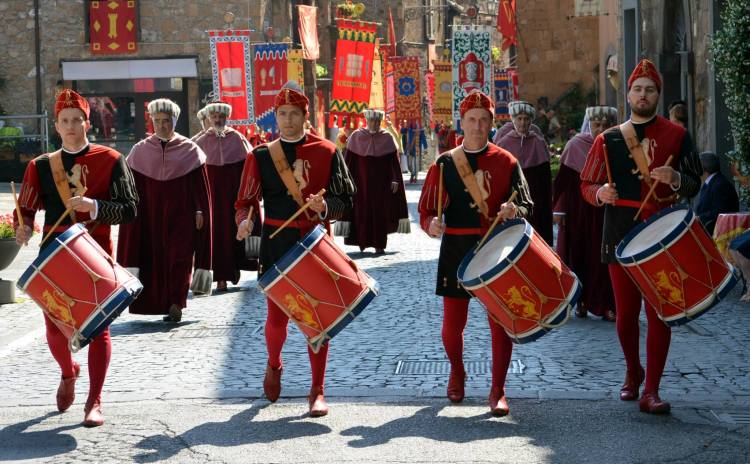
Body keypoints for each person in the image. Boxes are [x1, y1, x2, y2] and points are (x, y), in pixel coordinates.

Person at [580, 59, 702, 414]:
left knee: (660, 312)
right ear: (628, 94)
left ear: (657, 95)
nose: (643, 94)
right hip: (619, 229)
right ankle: (633, 372)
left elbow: (695, 181)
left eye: (649, 89)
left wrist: (677, 180)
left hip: (662, 232)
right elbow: (586, 184)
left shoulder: (678, 136)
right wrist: (600, 193)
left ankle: (652, 390)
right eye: (638, 89)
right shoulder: (608, 138)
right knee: (625, 316)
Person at [14, 89, 138, 426]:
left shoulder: (112, 159)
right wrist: (22, 228)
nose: (71, 126)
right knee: (55, 331)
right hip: (53, 257)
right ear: (57, 126)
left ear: (87, 122)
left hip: (96, 254)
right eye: (64, 121)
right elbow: (24, 209)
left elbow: (130, 210)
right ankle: (68, 372)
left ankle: (94, 401)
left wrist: (94, 207)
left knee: (99, 330)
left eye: (76, 120)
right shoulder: (40, 166)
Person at [235, 84, 356, 417]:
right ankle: (274, 364)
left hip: (315, 240)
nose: (288, 121)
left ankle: (317, 390)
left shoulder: (328, 151)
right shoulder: (259, 155)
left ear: (306, 116)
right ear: (276, 117)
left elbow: (346, 200)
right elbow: (244, 202)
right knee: (277, 317)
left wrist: (323, 206)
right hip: (276, 241)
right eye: (282, 114)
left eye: (294, 114)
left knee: (317, 317)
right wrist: (243, 221)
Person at [418, 90, 534, 416]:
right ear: (462, 122)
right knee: (452, 327)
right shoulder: (443, 164)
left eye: (484, 121)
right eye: (472, 120)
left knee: (500, 321)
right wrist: (430, 225)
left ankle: (498, 389)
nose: (478, 126)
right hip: (456, 246)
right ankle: (457, 371)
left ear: (491, 124)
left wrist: (515, 209)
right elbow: (426, 211)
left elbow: (527, 204)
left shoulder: (507, 162)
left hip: (495, 248)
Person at [117, 98, 213, 323]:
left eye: (166, 121)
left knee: (179, 258)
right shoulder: (140, 151)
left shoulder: (190, 150)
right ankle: (158, 302)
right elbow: (131, 188)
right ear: (151, 121)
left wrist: (200, 211)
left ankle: (176, 302)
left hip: (182, 215)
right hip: (149, 216)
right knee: (153, 259)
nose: (161, 126)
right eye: (157, 121)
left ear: (174, 121)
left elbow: (201, 187)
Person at [553, 106, 618, 321]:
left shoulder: (618, 145)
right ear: (588, 124)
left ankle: (607, 304)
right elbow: (561, 182)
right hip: (578, 212)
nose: (600, 129)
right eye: (596, 124)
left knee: (605, 259)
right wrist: (556, 209)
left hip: (608, 211)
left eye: (605, 125)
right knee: (579, 254)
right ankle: (580, 301)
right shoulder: (575, 146)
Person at [193, 101, 257, 291]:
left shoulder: (237, 139)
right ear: (209, 118)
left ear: (227, 118)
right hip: (209, 200)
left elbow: (249, 169)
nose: (218, 120)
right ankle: (212, 279)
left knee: (232, 234)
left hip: (233, 199)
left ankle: (232, 272)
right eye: (214, 117)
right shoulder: (199, 142)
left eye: (221, 117)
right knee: (211, 237)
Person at [341, 109, 409, 253]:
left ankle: (379, 245)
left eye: (378, 121)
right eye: (372, 121)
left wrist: (395, 179)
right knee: (361, 212)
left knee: (380, 213)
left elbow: (394, 164)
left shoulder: (387, 138)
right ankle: (362, 242)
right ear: (367, 121)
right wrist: (346, 180)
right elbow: (348, 163)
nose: (375, 124)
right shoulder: (356, 137)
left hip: (382, 186)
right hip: (360, 185)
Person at [495, 101, 553, 244]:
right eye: (519, 118)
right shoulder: (504, 143)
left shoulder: (538, 142)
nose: (522, 122)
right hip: (512, 199)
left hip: (535, 199)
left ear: (531, 121)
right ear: (513, 119)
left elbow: (545, 179)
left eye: (526, 119)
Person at [694, 151, 739, 235]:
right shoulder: (711, 182)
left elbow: (721, 212)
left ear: (702, 168)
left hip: (719, 236)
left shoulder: (720, 185)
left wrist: (699, 218)